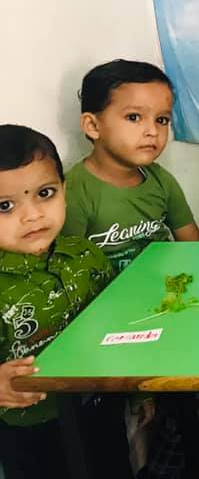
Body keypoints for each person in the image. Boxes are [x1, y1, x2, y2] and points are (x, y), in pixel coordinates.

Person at [61, 59, 199, 479]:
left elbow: (193, 247)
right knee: (111, 424)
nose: (152, 131)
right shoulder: (75, 192)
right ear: (92, 125)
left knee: (197, 395)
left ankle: (192, 459)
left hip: (165, 313)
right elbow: (69, 277)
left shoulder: (160, 181)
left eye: (161, 120)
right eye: (134, 117)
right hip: (106, 326)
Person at [0, 125, 115, 478]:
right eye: (5, 206)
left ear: (65, 191)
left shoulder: (86, 255)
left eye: (45, 193)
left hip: (101, 406)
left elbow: (118, 321)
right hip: (29, 428)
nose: (33, 215)